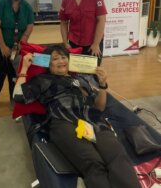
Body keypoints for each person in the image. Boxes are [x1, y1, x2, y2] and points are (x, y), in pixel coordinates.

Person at [13, 45, 140, 188]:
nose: (61, 61)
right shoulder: (42, 79)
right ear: (48, 63)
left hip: (93, 120)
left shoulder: (80, 80)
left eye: (63, 57)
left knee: (118, 157)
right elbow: (18, 96)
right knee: (93, 163)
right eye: (55, 58)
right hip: (63, 121)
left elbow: (99, 107)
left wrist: (103, 85)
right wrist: (24, 68)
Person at [59, 0, 107, 65]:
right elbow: (63, 23)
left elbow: (101, 20)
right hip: (74, 43)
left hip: (93, 44)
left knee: (92, 73)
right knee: (75, 72)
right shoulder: (66, 1)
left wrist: (96, 43)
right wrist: (65, 42)